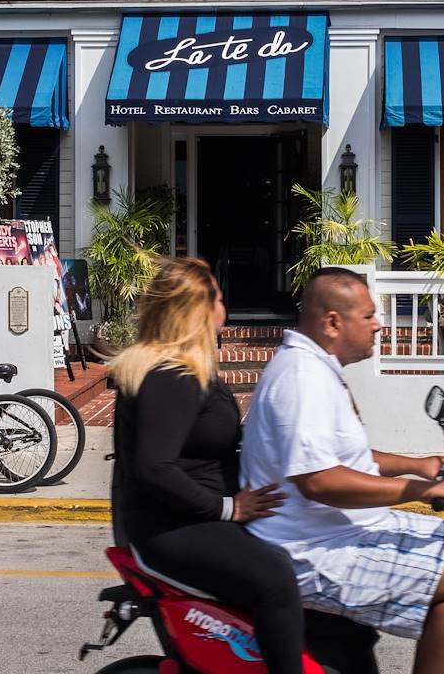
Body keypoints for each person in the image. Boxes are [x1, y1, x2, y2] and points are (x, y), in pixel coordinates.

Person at [242, 268, 444, 674]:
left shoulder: (317, 368)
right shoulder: (302, 378)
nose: (380, 325)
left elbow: (345, 456)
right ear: (332, 323)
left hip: (341, 529)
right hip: (312, 549)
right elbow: (320, 480)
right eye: (369, 316)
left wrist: (423, 466)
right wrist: (419, 490)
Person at [110, 257, 304, 674]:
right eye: (218, 297)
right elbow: (154, 468)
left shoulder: (179, 368)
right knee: (277, 583)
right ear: (198, 311)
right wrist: (229, 508)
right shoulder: (171, 375)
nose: (225, 307)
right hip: (175, 525)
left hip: (186, 516)